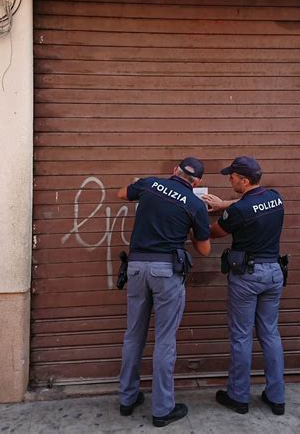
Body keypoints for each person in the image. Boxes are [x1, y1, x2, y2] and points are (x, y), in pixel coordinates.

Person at [117, 157, 211, 428]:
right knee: (165, 340)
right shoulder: (194, 204)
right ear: (198, 183)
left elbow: (122, 193)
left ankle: (127, 399)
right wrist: (192, 227)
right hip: (166, 272)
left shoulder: (150, 184)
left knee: (133, 334)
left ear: (174, 172)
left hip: (136, 267)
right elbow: (204, 249)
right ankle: (162, 409)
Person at [202, 156, 286, 416]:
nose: (230, 179)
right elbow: (250, 204)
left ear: (245, 180)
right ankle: (276, 397)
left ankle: (238, 397)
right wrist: (225, 204)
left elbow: (213, 232)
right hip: (274, 273)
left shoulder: (238, 211)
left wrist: (194, 218)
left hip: (248, 277)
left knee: (241, 336)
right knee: (270, 334)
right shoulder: (275, 197)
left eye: (233, 176)